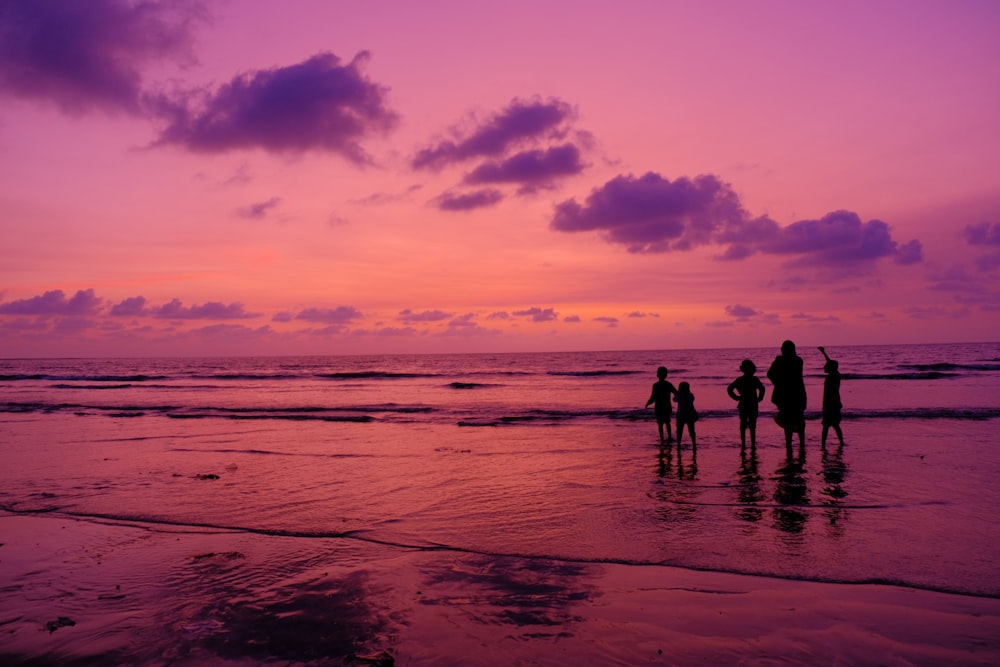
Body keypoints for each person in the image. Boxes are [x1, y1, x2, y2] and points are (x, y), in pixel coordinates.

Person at [767, 340, 807, 451]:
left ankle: (789, 445)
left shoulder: (780, 361)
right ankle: (801, 444)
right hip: (798, 393)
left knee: (788, 420)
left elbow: (770, 374)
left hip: (785, 394)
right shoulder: (798, 360)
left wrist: (778, 383)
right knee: (799, 419)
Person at [727, 359, 766, 449]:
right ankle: (752, 444)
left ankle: (744, 444)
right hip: (752, 403)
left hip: (744, 403)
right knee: (751, 425)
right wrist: (760, 398)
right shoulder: (754, 379)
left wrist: (736, 397)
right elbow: (762, 389)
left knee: (744, 424)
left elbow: (730, 389)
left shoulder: (741, 380)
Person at [819, 346, 845, 447]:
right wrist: (823, 353)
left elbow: (833, 394)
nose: (824, 366)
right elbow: (830, 362)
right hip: (830, 404)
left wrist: (828, 407)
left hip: (832, 404)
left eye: (825, 365)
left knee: (830, 425)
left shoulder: (834, 376)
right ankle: (828, 444)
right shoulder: (833, 375)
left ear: (830, 368)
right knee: (832, 425)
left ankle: (824, 445)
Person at [645, 366, 677, 443]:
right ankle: (669, 437)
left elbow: (653, 397)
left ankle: (662, 439)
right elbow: (676, 392)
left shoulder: (656, 385)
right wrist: (676, 398)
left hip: (659, 407)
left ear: (657, 375)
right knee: (667, 422)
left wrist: (648, 403)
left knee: (660, 424)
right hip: (666, 406)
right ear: (666, 375)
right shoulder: (668, 384)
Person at [674, 381, 698, 447]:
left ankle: (678, 444)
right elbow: (691, 401)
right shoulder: (690, 395)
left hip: (681, 415)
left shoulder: (679, 395)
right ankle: (694, 444)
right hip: (690, 415)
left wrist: (676, 394)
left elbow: (674, 399)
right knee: (692, 431)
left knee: (679, 431)